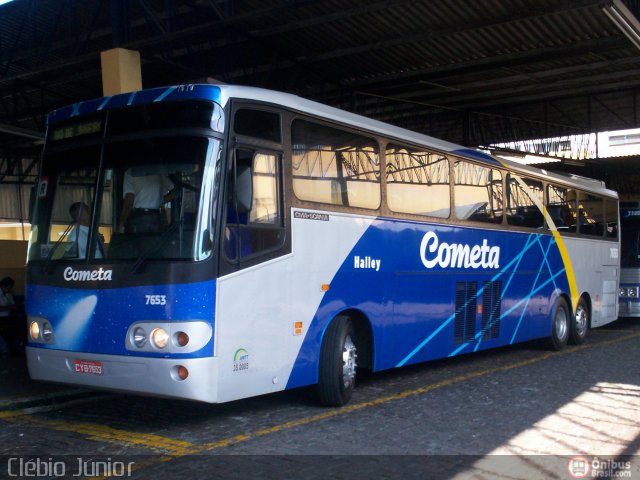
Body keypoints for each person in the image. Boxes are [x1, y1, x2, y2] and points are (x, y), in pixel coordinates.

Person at [118, 168, 174, 233]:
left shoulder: (130, 172)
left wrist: (121, 224)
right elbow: (173, 190)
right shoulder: (157, 171)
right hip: (156, 218)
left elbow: (129, 201)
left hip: (138, 219)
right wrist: (160, 201)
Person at [0, 277, 19, 358]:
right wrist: (10, 307)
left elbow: (13, 305)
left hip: (8, 317)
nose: (10, 289)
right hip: (1, 318)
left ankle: (13, 349)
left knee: (14, 330)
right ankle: (7, 349)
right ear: (4, 286)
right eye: (9, 287)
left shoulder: (9, 295)